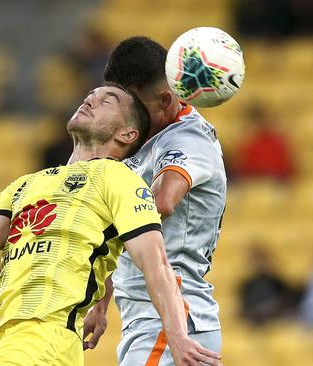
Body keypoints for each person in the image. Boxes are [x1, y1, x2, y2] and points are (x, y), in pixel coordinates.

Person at [0, 84, 222, 366]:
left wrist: (176, 333)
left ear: (126, 134)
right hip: (2, 343)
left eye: (106, 100)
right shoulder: (27, 184)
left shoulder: (119, 181)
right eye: (90, 95)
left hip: (45, 341)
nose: (90, 100)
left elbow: (154, 262)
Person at [83, 37, 227, 365]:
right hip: (151, 319)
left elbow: (162, 202)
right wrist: (102, 303)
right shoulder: (139, 139)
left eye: (133, 107)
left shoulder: (188, 140)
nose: (125, 115)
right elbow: (119, 233)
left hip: (170, 321)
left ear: (164, 99)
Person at [239, 244, 295, 325]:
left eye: (262, 260)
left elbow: (286, 301)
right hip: (255, 321)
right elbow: (244, 308)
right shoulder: (247, 284)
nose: (260, 265)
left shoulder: (276, 281)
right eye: (256, 261)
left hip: (275, 320)